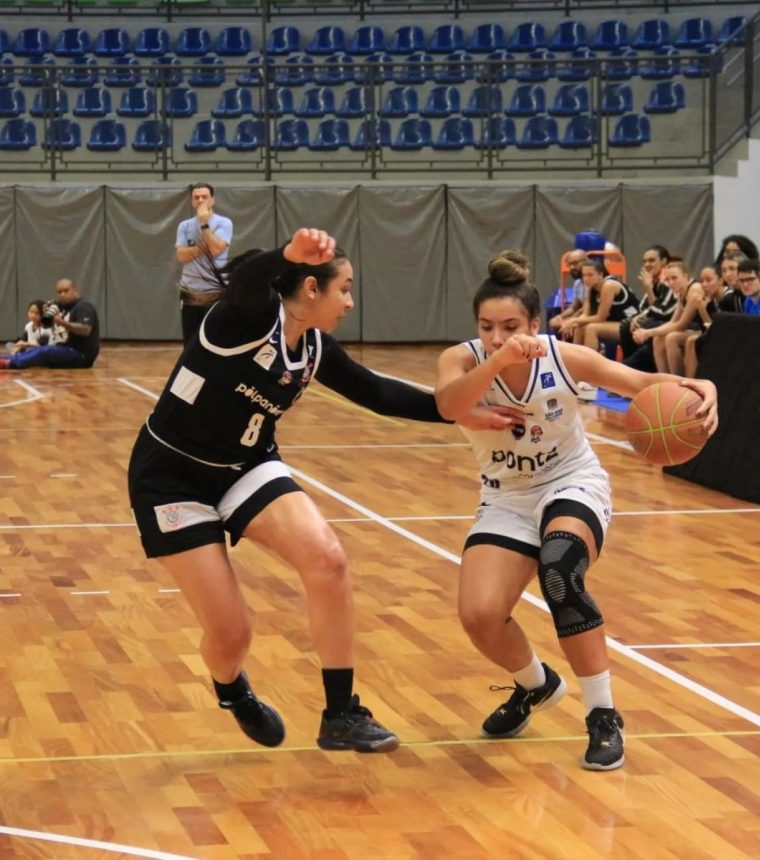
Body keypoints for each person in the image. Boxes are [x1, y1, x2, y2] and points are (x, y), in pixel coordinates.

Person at [129, 228, 518, 754]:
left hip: (245, 464)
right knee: (232, 635)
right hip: (171, 476)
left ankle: (341, 714)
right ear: (311, 289)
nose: (351, 302)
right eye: (346, 289)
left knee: (328, 560)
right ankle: (231, 689)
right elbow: (245, 281)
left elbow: (377, 392)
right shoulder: (241, 321)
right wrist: (286, 255)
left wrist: (456, 413)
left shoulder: (312, 345)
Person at [434, 250, 718, 770]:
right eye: (487, 326)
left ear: (536, 324)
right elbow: (450, 405)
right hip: (506, 495)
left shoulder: (562, 357)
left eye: (511, 326)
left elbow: (637, 385)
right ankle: (536, 687)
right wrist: (499, 358)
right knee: (478, 616)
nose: (498, 336)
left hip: (570, 482)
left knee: (560, 569)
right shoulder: (464, 360)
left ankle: (603, 715)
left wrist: (702, 386)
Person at [176, 183, 234, 344]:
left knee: (216, 339)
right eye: (196, 197)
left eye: (204, 197)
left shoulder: (224, 223)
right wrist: (205, 246)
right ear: (192, 201)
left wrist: (204, 224)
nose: (200, 200)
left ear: (212, 200)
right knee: (191, 340)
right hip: (190, 292)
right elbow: (181, 255)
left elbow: (216, 250)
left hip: (215, 290)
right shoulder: (184, 226)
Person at [631, 260, 710, 375]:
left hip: (708, 330)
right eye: (668, 280)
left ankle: (677, 380)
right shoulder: (681, 292)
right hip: (698, 329)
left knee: (672, 337)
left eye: (674, 278)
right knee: (658, 338)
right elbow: (673, 321)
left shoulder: (694, 289)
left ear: (685, 276)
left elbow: (681, 324)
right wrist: (649, 332)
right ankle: (665, 378)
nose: (671, 283)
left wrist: (648, 332)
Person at [0, 279, 99, 370]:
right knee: (34, 350)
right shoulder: (60, 306)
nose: (62, 294)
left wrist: (63, 323)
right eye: (59, 292)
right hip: (64, 349)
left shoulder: (84, 307)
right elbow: (45, 326)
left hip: (80, 354)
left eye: (66, 291)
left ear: (75, 290)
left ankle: (10, 363)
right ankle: (5, 359)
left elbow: (86, 330)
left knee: (45, 351)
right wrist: (44, 316)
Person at [618, 244, 676, 368]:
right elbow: (645, 308)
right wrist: (637, 317)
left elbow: (661, 312)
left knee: (645, 324)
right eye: (644, 261)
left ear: (664, 261)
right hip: (660, 319)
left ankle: (632, 366)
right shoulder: (654, 280)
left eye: (652, 260)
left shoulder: (668, 279)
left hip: (669, 321)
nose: (647, 264)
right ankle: (630, 364)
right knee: (628, 324)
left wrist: (648, 288)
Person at [559, 259, 638, 349]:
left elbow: (600, 318)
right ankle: (576, 360)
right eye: (584, 275)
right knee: (579, 328)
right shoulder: (591, 288)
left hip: (631, 324)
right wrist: (571, 323)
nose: (586, 279)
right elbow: (585, 315)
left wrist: (573, 321)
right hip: (615, 323)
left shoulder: (609, 285)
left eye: (590, 275)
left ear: (600, 275)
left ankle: (591, 362)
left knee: (591, 328)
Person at [548, 249, 588, 335]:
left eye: (575, 263)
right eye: (569, 265)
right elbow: (573, 307)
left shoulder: (592, 282)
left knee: (575, 325)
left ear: (585, 261)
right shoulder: (577, 283)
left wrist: (571, 320)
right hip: (580, 316)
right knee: (553, 322)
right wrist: (560, 316)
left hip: (589, 317)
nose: (572, 267)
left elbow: (585, 309)